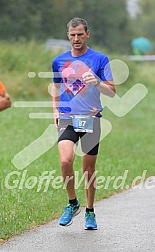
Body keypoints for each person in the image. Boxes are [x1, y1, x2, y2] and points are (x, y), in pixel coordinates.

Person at [52, 17, 115, 230]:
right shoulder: (59, 61)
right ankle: (72, 203)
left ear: (87, 34)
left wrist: (97, 82)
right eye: (72, 35)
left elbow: (112, 92)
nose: (76, 38)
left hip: (91, 118)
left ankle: (90, 211)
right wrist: (55, 110)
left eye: (80, 34)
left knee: (88, 170)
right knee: (64, 160)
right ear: (68, 35)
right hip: (68, 118)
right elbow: (56, 87)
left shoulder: (100, 59)